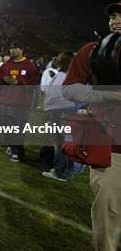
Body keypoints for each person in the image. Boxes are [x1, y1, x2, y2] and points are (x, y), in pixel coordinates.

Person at [62, 0, 121, 251]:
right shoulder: (94, 51)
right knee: (109, 212)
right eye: (113, 16)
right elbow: (70, 89)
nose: (115, 20)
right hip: (110, 145)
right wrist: (107, 94)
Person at [0, 41, 40, 162]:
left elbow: (34, 84)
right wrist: (4, 79)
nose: (12, 51)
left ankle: (17, 152)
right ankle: (11, 145)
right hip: (6, 101)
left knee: (19, 128)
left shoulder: (29, 66)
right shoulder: (7, 64)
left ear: (21, 50)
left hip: (21, 103)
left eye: (15, 48)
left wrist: (19, 82)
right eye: (11, 48)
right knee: (7, 127)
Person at [41, 51, 79, 182]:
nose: (56, 59)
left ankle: (61, 171)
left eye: (60, 58)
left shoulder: (67, 76)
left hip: (62, 112)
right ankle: (64, 169)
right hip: (60, 111)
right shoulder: (64, 74)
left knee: (62, 142)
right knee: (63, 142)